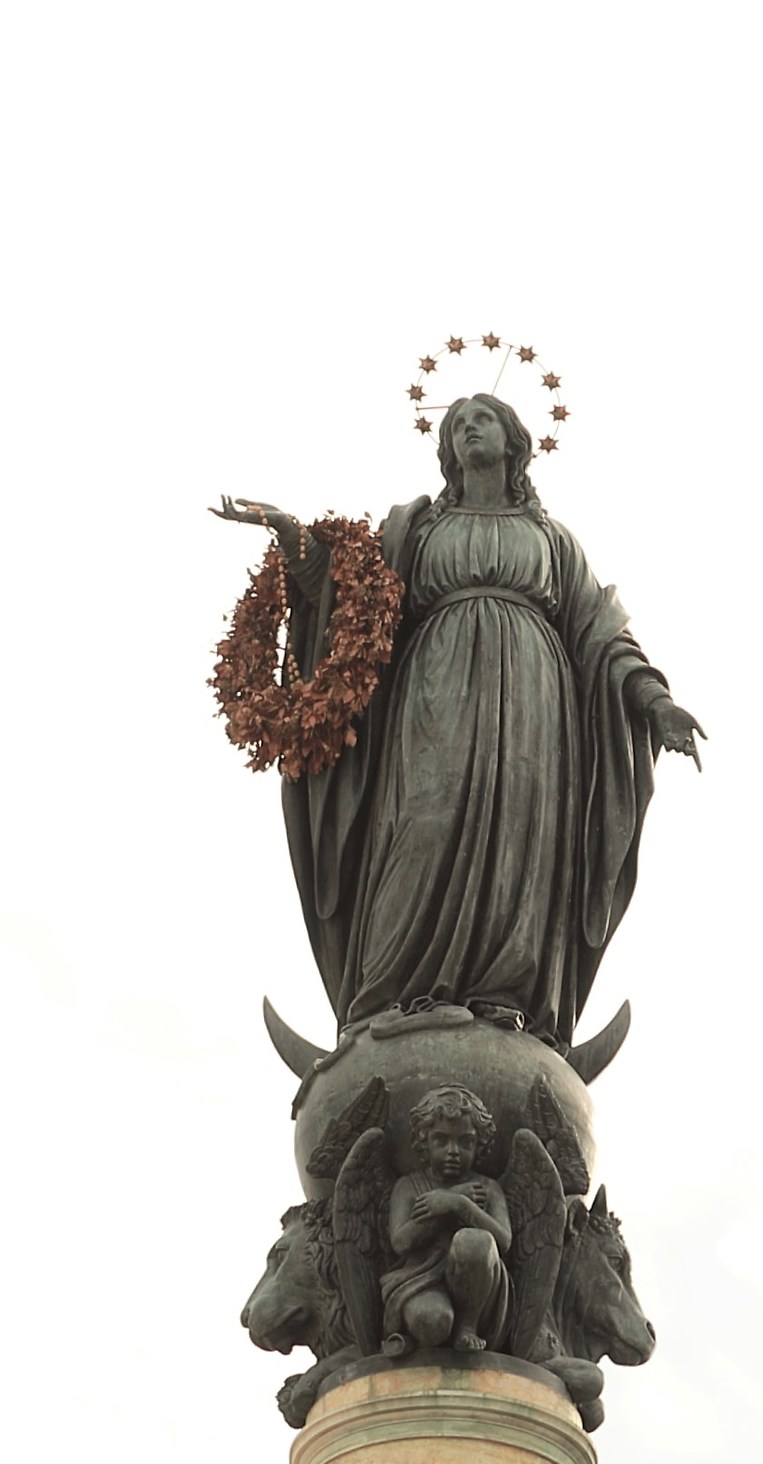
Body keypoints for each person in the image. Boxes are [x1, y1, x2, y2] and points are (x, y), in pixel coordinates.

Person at [214, 397, 704, 1044]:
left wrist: (652, 700)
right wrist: (292, 538)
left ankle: (505, 998)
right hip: (433, 690)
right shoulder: (416, 530)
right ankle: (394, 994)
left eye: (483, 418)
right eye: (455, 424)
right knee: (422, 817)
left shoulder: (552, 540)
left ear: (513, 441)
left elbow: (600, 634)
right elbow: (345, 600)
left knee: (519, 835)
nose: (468, 426)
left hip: (534, 701)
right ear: (446, 449)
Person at [380, 1085, 511, 1356]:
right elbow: (401, 1242)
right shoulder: (408, 1186)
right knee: (434, 1323)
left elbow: (503, 1241)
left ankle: (467, 1327)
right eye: (441, 1140)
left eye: (466, 1142)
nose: (453, 1151)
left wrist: (458, 1204)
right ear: (423, 1143)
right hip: (420, 1278)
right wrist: (445, 1203)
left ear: (479, 1144)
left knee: (474, 1240)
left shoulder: (488, 1188)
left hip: (479, 1290)